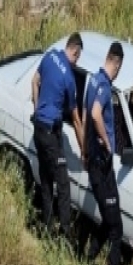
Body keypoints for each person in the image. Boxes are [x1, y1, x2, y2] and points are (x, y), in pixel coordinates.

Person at [30, 33, 85, 243]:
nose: (76, 61)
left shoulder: (50, 55)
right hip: (51, 134)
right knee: (63, 183)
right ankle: (65, 234)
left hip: (38, 129)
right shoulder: (70, 79)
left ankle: (46, 226)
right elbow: (77, 120)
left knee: (46, 178)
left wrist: (37, 111)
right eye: (77, 57)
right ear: (75, 51)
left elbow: (34, 82)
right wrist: (83, 151)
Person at [83, 41, 124, 265]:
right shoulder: (105, 87)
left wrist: (86, 149)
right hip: (102, 165)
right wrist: (107, 145)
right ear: (116, 63)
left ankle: (88, 259)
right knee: (116, 229)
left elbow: (87, 116)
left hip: (97, 163)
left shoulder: (92, 81)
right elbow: (96, 115)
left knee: (110, 217)